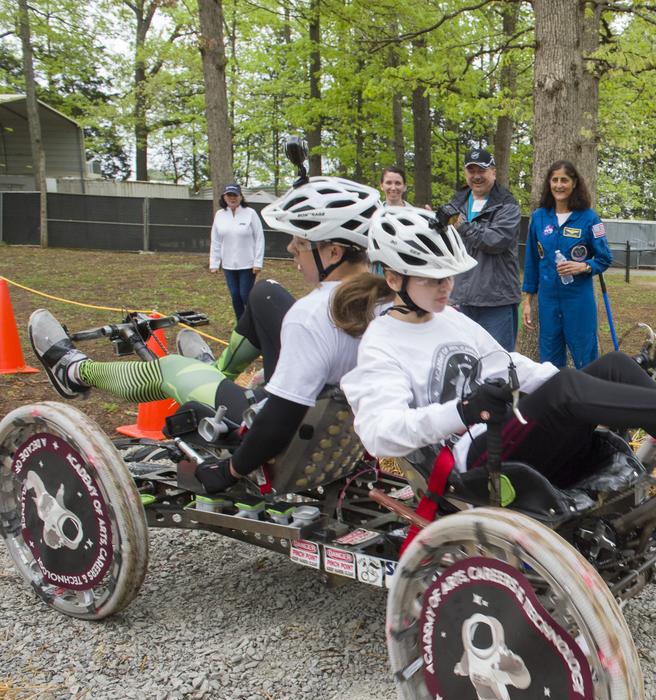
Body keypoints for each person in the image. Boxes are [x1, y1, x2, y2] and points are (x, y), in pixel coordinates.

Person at [337, 206, 656, 491]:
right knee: (569, 386)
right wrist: (462, 411)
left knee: (613, 366)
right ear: (394, 278)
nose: (447, 287)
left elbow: (511, 365)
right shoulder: (381, 346)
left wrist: (599, 385)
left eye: (449, 276)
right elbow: (378, 435)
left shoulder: (449, 318)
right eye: (433, 280)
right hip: (475, 466)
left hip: (510, 438)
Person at [29, 176, 383, 494]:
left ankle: (74, 372)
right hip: (344, 431)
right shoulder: (389, 303)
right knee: (266, 292)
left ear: (333, 252)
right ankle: (217, 371)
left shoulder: (310, 316)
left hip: (291, 440)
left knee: (171, 369)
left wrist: (230, 470)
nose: (290, 249)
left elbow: (279, 418)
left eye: (300, 242)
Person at [521, 160, 613, 368]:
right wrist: (528, 301)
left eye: (564, 180)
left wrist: (584, 266)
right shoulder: (539, 217)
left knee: (585, 358)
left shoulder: (589, 218)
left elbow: (605, 258)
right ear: (548, 183)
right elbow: (532, 261)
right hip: (548, 301)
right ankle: (556, 399)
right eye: (554, 180)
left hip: (578, 300)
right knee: (549, 362)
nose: (559, 185)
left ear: (574, 184)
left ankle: (587, 398)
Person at [446, 146, 522, 351]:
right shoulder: (456, 203)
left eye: (482, 171)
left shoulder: (508, 205)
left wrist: (462, 225)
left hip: (496, 301)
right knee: (463, 359)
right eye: (472, 171)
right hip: (460, 299)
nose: (476, 176)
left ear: (493, 172)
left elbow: (495, 241)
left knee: (499, 363)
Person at [209, 183, 265, 320]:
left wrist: (258, 262)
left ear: (240, 197)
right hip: (228, 264)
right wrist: (214, 263)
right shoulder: (220, 215)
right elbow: (215, 240)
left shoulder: (250, 213)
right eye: (229, 195)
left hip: (248, 264)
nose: (232, 198)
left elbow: (259, 237)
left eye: (235, 195)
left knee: (245, 294)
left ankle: (255, 320)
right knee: (235, 295)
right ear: (224, 197)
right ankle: (241, 323)